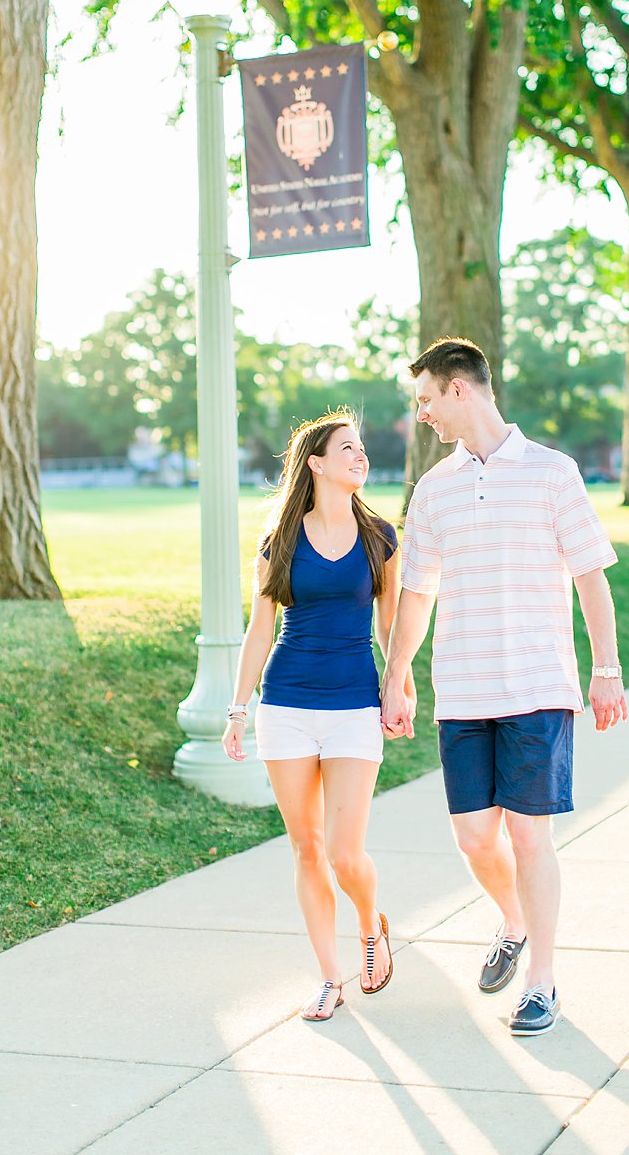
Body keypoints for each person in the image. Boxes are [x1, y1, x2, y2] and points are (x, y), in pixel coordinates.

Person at [380, 337, 627, 1038]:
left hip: (539, 686)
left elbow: (590, 577)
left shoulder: (553, 473)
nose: (422, 413)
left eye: (426, 398)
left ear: (460, 388)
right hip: (462, 689)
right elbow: (418, 596)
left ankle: (543, 981)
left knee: (529, 839)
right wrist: (396, 676)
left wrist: (604, 669)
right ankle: (513, 920)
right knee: (472, 838)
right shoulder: (433, 489)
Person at [222, 411, 405, 1022]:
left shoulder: (381, 538)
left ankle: (370, 922)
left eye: (363, 447)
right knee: (307, 850)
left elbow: (390, 625)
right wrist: (237, 708)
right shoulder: (279, 540)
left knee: (346, 855)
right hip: (287, 705)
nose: (361, 456)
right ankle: (330, 978)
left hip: (354, 704)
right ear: (317, 464)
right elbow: (258, 630)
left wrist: (397, 685)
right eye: (347, 448)